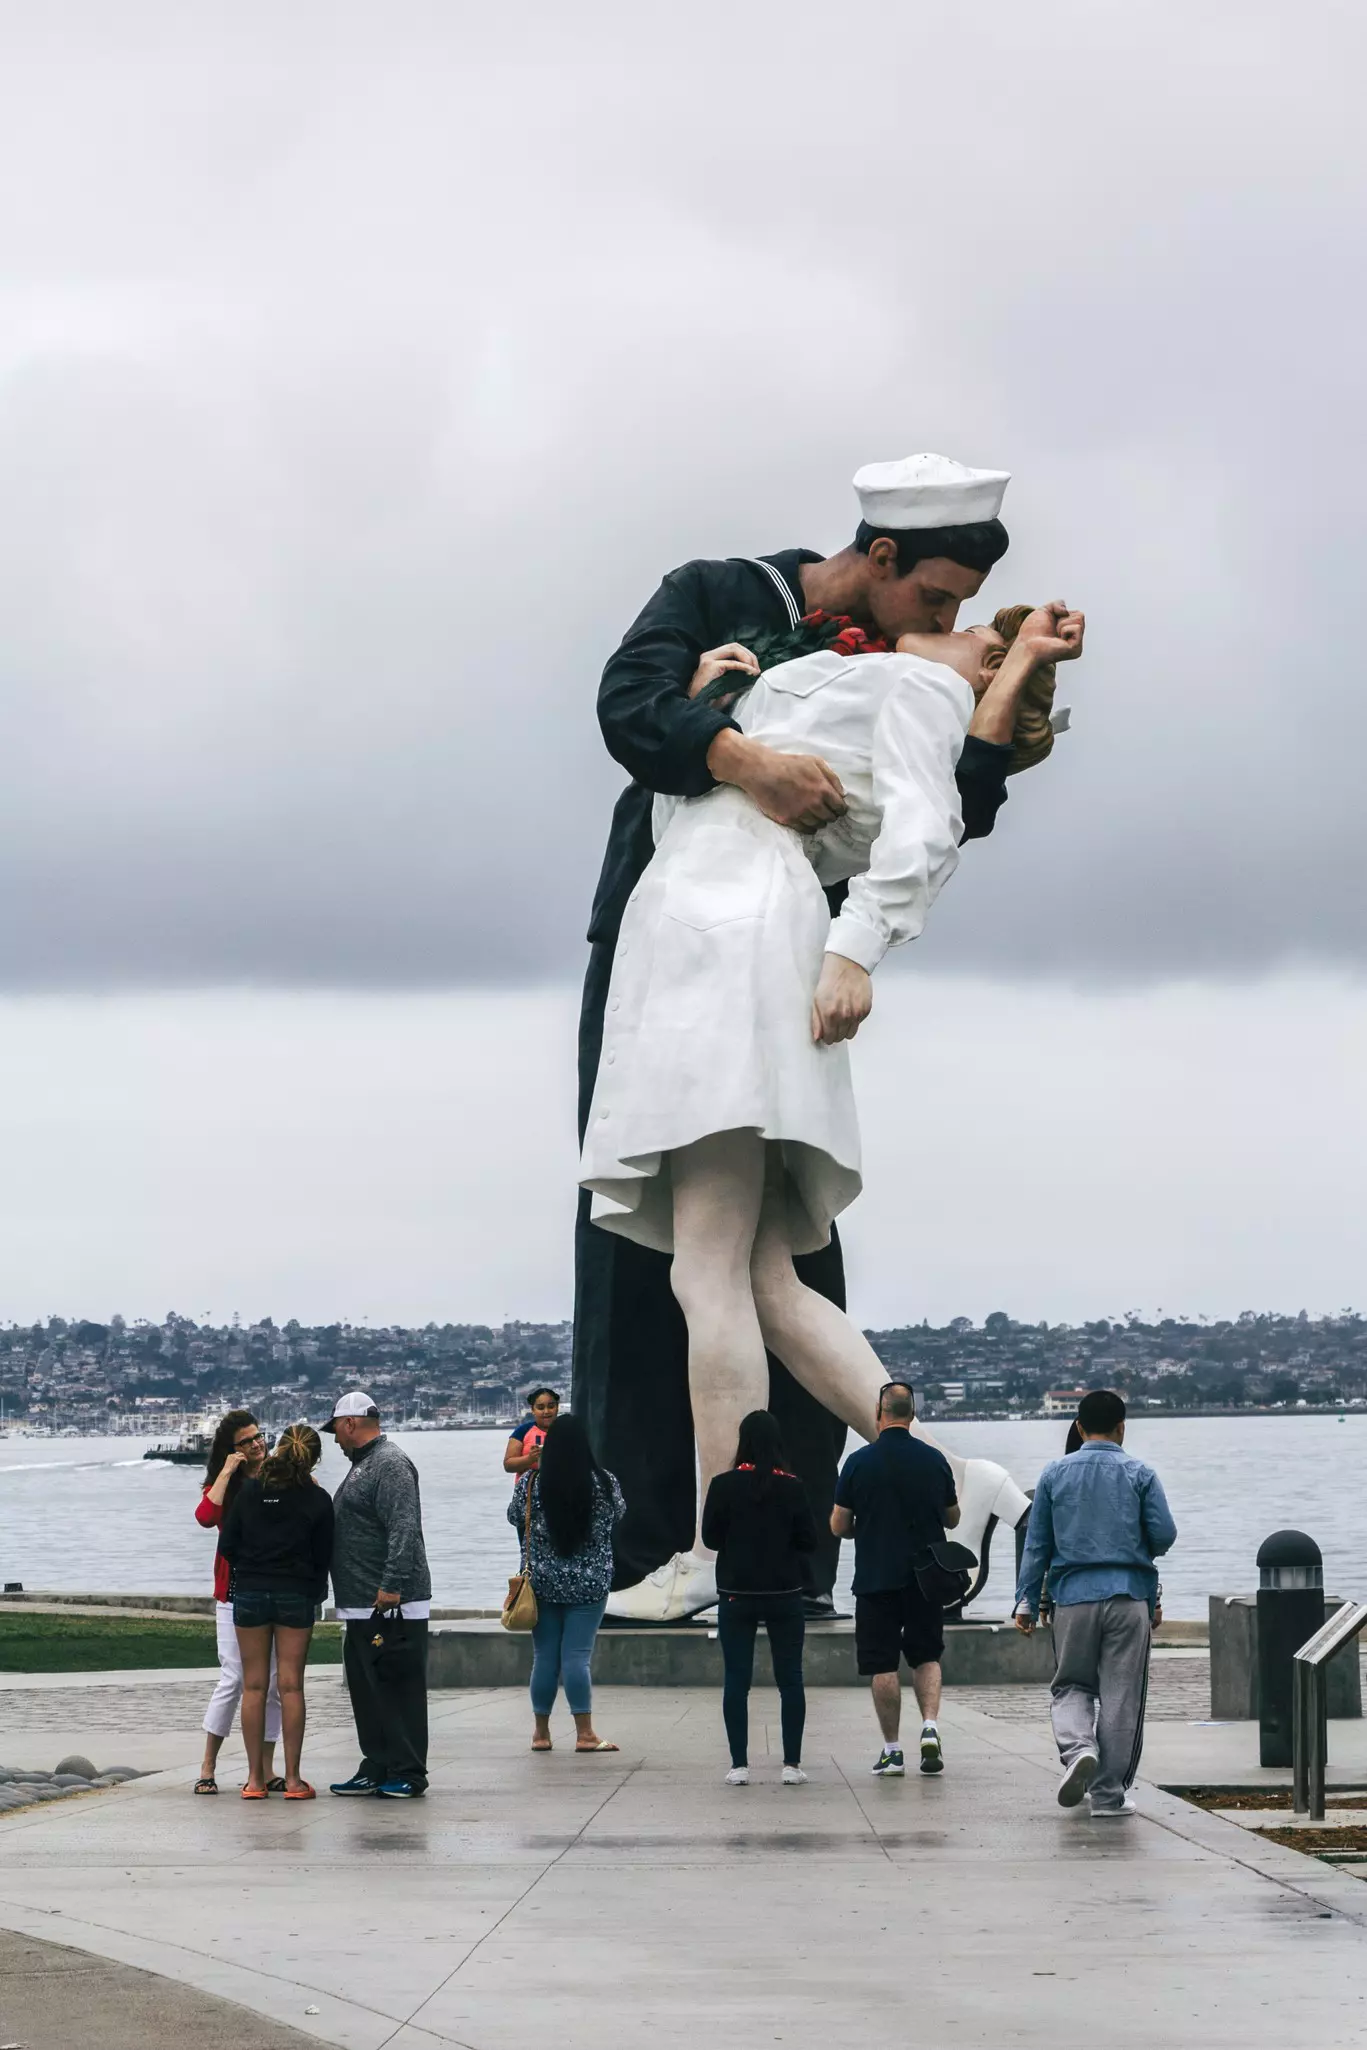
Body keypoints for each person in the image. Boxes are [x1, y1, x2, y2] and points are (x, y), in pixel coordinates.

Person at [577, 454, 1075, 1622]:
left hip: (724, 939)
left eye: (965, 627)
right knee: (758, 1272)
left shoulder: (912, 689)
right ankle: (957, 1481)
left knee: (702, 1269)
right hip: (690, 935)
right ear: (881, 560)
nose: (946, 626)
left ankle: (712, 1550)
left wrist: (855, 951)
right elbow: (637, 713)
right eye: (938, 605)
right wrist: (722, 716)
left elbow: (937, 818)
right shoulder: (748, 610)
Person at [1014, 1388, 1178, 1818]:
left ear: (1079, 1427)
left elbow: (1037, 1545)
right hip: (1128, 1598)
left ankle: (1078, 1749)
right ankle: (1108, 1797)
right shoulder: (1140, 1473)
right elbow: (1164, 1535)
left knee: (1070, 1685)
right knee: (1122, 1696)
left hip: (1072, 1598)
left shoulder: (1053, 1475)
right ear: (1122, 1428)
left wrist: (1026, 1603)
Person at [830, 1381, 960, 1778]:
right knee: (927, 1655)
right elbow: (953, 1518)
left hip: (875, 1577)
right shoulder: (934, 1460)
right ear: (912, 1413)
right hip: (925, 1579)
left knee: (882, 1664)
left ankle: (892, 1751)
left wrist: (861, 1527)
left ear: (878, 1412)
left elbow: (838, 1525)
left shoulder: (858, 1462)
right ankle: (930, 1727)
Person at [325, 1390, 433, 1799]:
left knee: (396, 1686)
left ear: (350, 1423)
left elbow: (403, 1527)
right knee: (367, 1690)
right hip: (360, 1603)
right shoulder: (364, 1465)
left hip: (390, 1604)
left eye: (335, 1427)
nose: (334, 1438)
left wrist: (391, 1585)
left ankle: (408, 1770)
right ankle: (376, 1764)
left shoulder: (389, 1464)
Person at [701, 1410, 817, 1787]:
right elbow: (809, 1541)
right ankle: (792, 1765)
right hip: (784, 1593)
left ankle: (739, 1765)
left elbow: (710, 1540)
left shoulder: (722, 1485)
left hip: (736, 1593)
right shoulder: (794, 1486)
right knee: (791, 1680)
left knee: (736, 1680)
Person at [219, 1423, 333, 1801]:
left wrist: (252, 1567)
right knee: (290, 1686)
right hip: (295, 1594)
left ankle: (254, 1780)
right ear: (313, 1458)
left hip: (250, 1591)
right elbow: (323, 1556)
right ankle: (294, 1780)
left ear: (279, 1450)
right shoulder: (317, 1500)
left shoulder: (249, 1492)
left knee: (253, 1685)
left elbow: (229, 1545)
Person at [507, 1413, 624, 1753]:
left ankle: (541, 1734)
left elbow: (514, 1517)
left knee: (544, 1657)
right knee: (576, 1657)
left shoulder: (532, 1482)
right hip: (590, 1585)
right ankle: (585, 1734)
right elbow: (619, 1514)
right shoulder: (604, 1482)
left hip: (541, 1585)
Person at [194, 1409, 284, 1794]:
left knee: (275, 1682)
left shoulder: (277, 1476)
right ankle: (208, 1765)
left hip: (273, 1589)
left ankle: (265, 1767)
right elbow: (204, 1515)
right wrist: (227, 1472)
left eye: (258, 1436)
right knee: (234, 1677)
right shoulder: (226, 1486)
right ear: (232, 1449)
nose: (257, 1443)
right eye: (247, 1441)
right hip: (233, 1593)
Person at [504, 1387, 560, 1476]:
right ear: (533, 1410)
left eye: (551, 1406)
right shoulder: (522, 1431)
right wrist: (529, 1459)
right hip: (529, 1488)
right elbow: (508, 1466)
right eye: (540, 1408)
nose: (546, 1411)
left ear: (557, 1408)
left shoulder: (567, 1430)